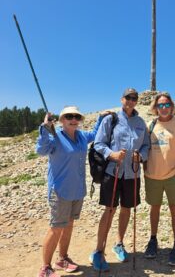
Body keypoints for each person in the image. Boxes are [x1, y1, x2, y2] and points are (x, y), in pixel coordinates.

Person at [36, 106, 106, 277]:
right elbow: (41, 150)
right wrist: (44, 128)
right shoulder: (55, 137)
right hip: (60, 191)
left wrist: (100, 117)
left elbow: (95, 134)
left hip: (77, 190)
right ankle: (45, 268)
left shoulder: (82, 136)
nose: (73, 119)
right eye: (69, 116)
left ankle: (62, 258)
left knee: (68, 226)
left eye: (76, 116)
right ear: (61, 120)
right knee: (56, 228)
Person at [90, 88, 150, 272]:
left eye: (134, 98)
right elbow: (99, 143)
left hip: (132, 173)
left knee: (126, 209)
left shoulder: (141, 122)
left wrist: (141, 157)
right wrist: (112, 154)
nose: (131, 101)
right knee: (109, 209)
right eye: (128, 98)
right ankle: (98, 251)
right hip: (112, 172)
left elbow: (147, 145)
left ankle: (119, 243)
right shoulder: (111, 119)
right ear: (122, 99)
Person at [144, 92, 175, 266]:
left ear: (171, 106)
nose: (163, 108)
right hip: (152, 174)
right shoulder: (150, 124)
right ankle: (153, 239)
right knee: (154, 208)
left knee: (174, 208)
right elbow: (145, 147)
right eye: (160, 105)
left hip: (173, 175)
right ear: (155, 108)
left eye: (166, 104)